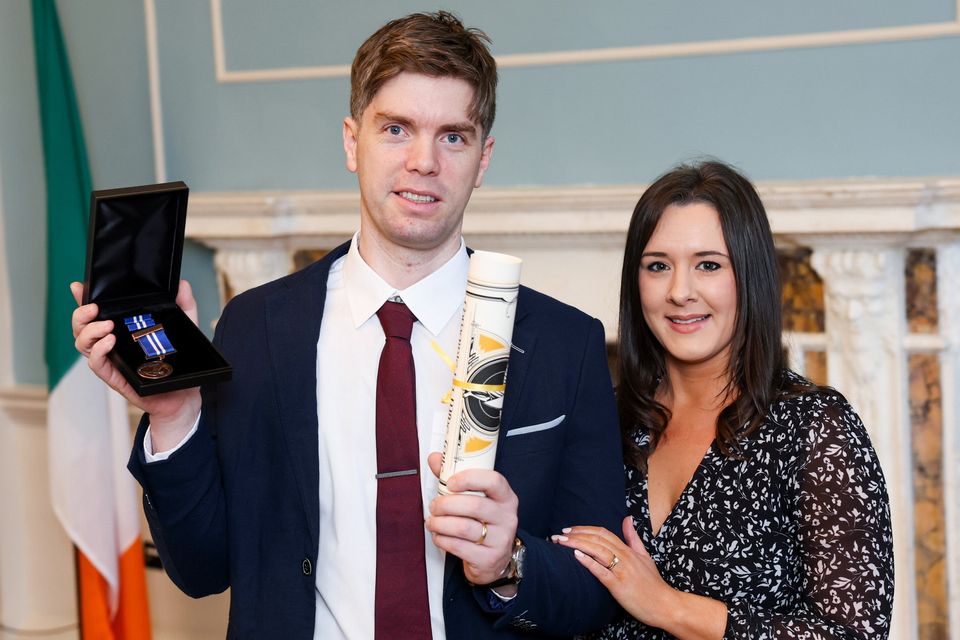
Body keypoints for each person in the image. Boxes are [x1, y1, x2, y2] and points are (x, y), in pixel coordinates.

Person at [70, 11, 624, 640]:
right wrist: (173, 415)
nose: (423, 161)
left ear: (483, 158)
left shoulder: (566, 344)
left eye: (453, 136)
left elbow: (596, 593)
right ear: (351, 142)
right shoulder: (256, 326)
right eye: (396, 129)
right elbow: (202, 569)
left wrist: (508, 563)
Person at [552, 161, 894, 638]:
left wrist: (667, 605)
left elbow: (853, 634)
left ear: (750, 275)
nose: (679, 292)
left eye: (708, 265)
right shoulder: (602, 418)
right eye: (657, 266)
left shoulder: (813, 426)